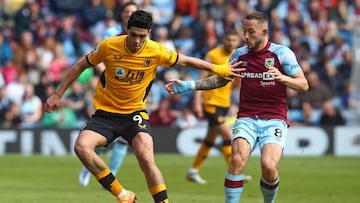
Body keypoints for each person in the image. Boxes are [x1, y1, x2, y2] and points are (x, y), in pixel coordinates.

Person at [45, 10, 241, 203]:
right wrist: (58, 94)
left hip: (134, 114)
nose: (137, 41)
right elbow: (81, 65)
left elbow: (186, 60)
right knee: (81, 147)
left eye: (142, 36)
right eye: (134, 35)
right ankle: (123, 196)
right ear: (126, 30)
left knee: (146, 159)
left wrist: (216, 68)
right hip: (105, 114)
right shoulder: (109, 46)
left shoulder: (156, 50)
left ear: (149, 34)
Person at [165, 11, 309, 203]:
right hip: (247, 117)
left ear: (265, 31)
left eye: (251, 32)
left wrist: (282, 77)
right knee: (237, 161)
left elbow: (303, 84)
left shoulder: (282, 54)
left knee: (268, 166)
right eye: (245, 32)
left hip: (274, 118)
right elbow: (220, 80)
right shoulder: (240, 54)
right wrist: (189, 86)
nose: (246, 37)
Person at [78, 1, 139, 188]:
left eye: (133, 12)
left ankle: (112, 174)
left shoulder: (142, 36)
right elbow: (96, 58)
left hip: (133, 92)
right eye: (127, 11)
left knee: (123, 139)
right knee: (102, 133)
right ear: (121, 15)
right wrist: (112, 75)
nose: (130, 15)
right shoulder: (110, 34)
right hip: (110, 88)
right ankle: (90, 166)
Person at [185, 29, 251, 184]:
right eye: (229, 40)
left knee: (211, 138)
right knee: (228, 135)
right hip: (210, 102)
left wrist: (240, 100)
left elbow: (238, 81)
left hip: (225, 103)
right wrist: (197, 102)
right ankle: (236, 172)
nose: (231, 43)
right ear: (223, 39)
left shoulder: (237, 55)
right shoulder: (213, 54)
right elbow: (201, 79)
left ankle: (193, 171)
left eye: (234, 40)